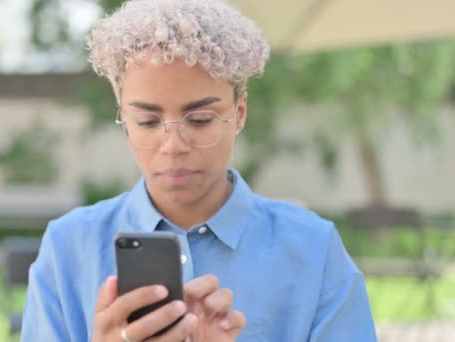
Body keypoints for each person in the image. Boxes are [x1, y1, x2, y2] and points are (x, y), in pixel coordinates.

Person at [21, 0, 377, 341]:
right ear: (124, 118)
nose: (173, 144)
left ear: (239, 113)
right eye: (147, 120)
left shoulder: (314, 251)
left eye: (201, 119)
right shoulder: (68, 248)